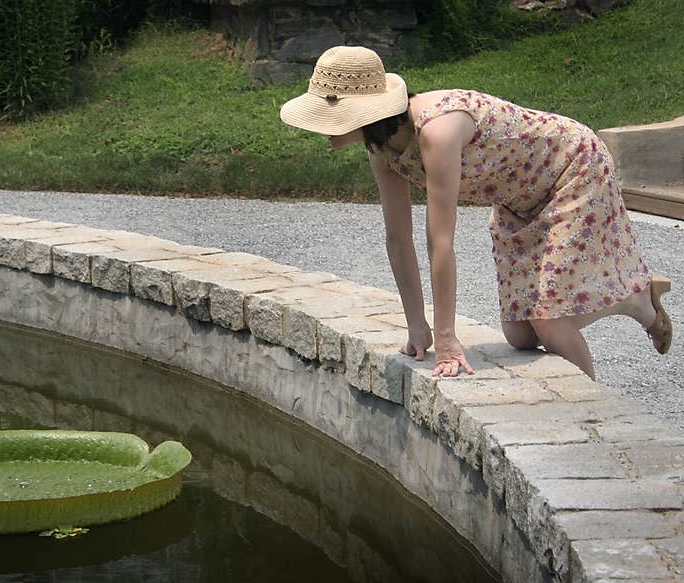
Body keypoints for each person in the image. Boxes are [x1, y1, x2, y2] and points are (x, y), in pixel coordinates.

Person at [279, 45, 672, 379]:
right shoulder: (382, 148)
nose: (322, 125)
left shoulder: (437, 131)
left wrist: (447, 337)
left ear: (367, 110)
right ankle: (633, 295)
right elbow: (398, 238)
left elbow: (441, 241)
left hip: (571, 169)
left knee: (551, 322)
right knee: (520, 333)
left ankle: (600, 404)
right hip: (519, 199)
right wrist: (418, 326)